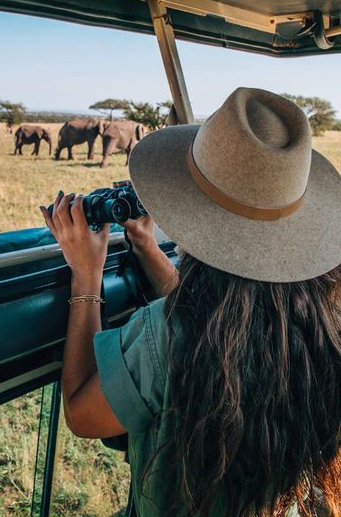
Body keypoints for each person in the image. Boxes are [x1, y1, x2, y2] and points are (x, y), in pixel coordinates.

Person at [40, 88, 340, 517]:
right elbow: (225, 314)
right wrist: (146, 248)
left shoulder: (167, 334)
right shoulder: (327, 320)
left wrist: (86, 276)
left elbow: (82, 415)